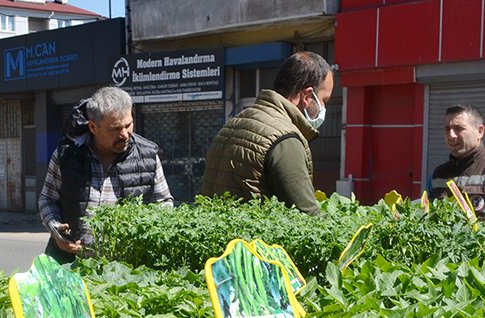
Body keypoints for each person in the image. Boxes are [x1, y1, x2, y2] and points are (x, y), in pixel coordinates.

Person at [38, 86, 173, 263]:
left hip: (127, 271)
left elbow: (164, 202)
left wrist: (148, 229)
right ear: (93, 127)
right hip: (71, 266)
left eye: (128, 125)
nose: (124, 134)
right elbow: (47, 199)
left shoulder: (148, 156)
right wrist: (56, 230)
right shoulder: (67, 155)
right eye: (115, 129)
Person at [201, 51, 334, 216]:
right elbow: (306, 216)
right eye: (324, 100)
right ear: (307, 96)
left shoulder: (234, 123)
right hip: (251, 241)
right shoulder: (285, 139)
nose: (323, 108)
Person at [427, 104, 485, 222]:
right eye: (447, 129)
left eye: (459, 128)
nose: (451, 135)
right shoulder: (436, 175)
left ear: (480, 131)